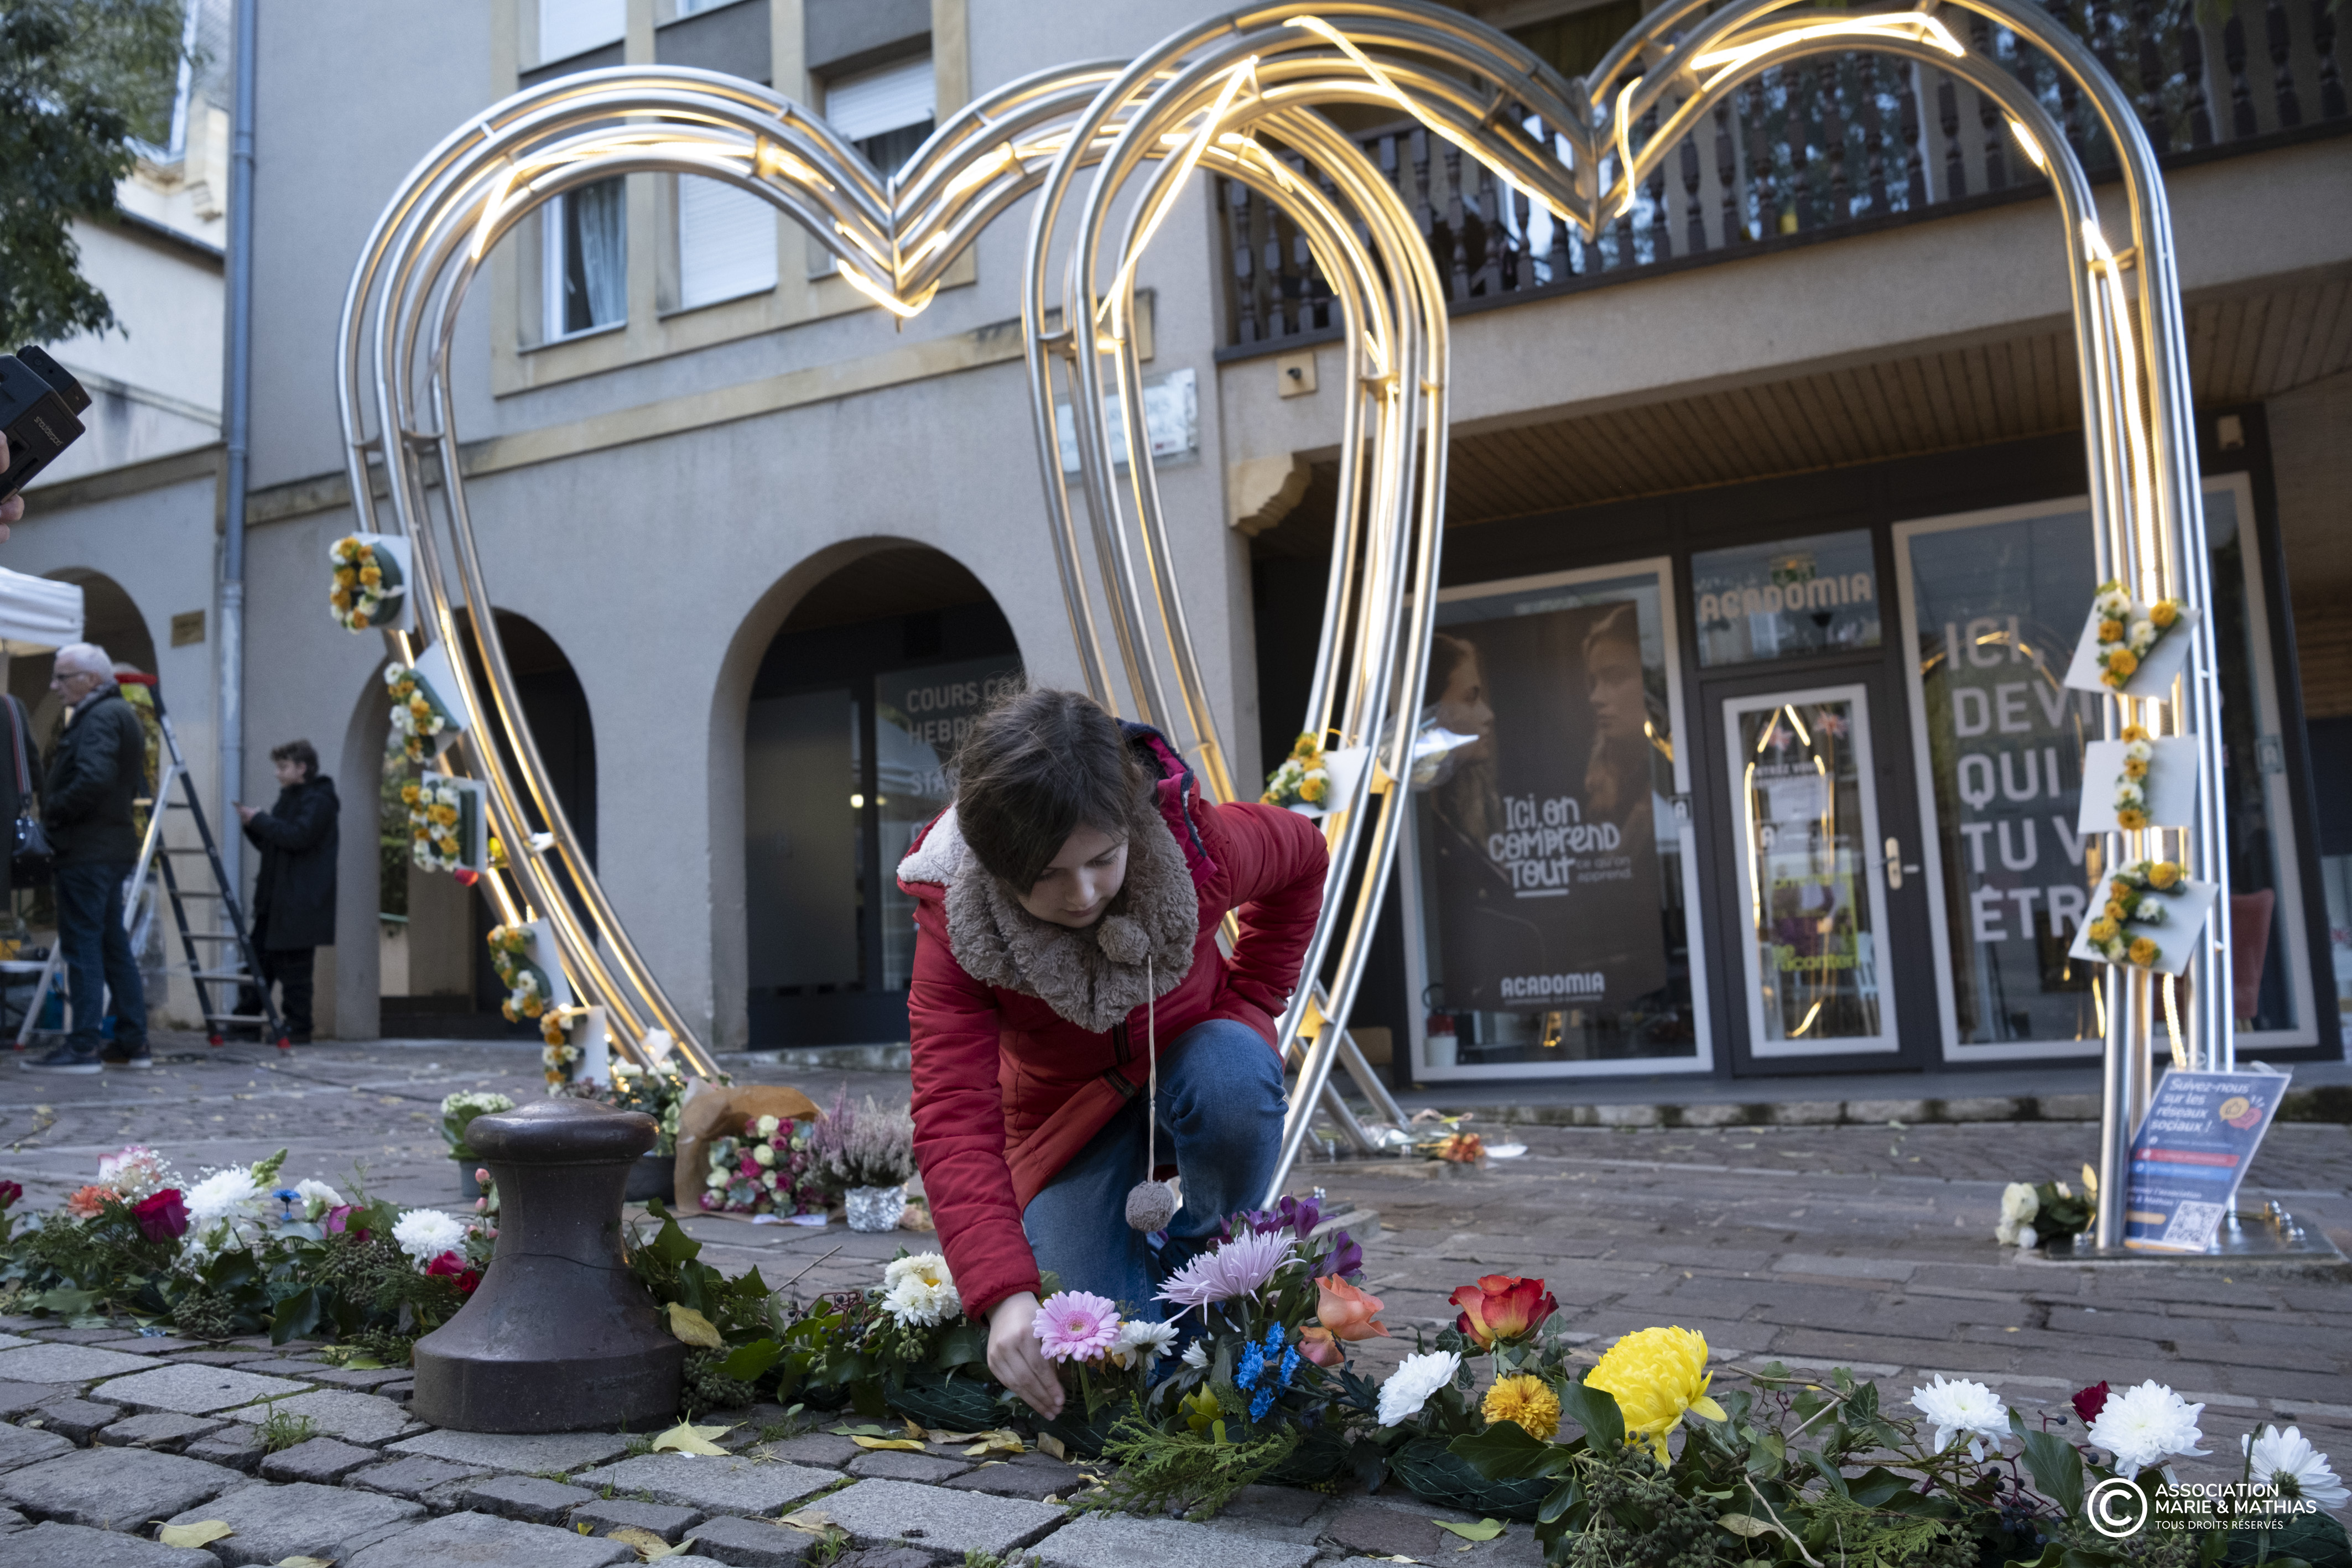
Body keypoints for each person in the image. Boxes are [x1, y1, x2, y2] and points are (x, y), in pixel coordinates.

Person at [895, 688, 1326, 1419]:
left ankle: (1207, 1266)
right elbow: (952, 1116)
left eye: (1102, 859)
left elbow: (1303, 855)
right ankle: (1134, 1273)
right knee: (1109, 1355)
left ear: (1131, 820)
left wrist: (1252, 1002)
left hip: (1191, 1064)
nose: (1083, 892)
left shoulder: (1197, 847)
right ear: (995, 861)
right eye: (1046, 875)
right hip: (1062, 1123)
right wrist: (1003, 1294)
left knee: (1233, 1070)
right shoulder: (956, 928)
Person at [25, 644, 148, 1072]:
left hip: (87, 850)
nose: (54, 686)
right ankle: (133, 1041)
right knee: (112, 944)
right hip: (106, 848)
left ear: (91, 679)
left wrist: (53, 813)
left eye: (62, 677)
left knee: (83, 946)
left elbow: (94, 777)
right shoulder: (116, 713)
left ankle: (82, 1046)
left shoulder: (99, 716)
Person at [236, 739, 340, 1044]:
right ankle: (245, 1022)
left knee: (295, 968)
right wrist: (253, 826)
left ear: (302, 768)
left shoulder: (319, 802)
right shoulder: (290, 799)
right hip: (275, 899)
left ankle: (298, 1026)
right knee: (257, 962)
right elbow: (276, 845)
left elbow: (298, 838)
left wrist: (261, 821)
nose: (277, 773)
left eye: (283, 767)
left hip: (299, 900)